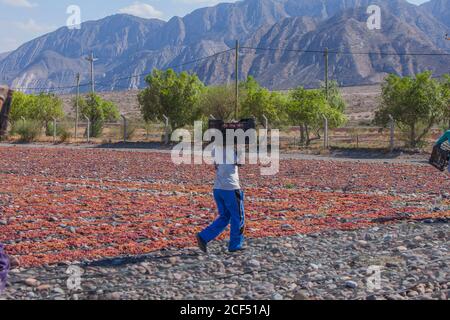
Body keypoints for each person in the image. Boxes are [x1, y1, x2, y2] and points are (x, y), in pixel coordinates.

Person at [197, 144, 246, 253]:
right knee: (238, 216)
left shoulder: (215, 148)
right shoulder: (233, 149)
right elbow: (240, 162)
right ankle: (235, 244)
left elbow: (216, 165)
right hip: (231, 188)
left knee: (225, 216)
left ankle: (203, 236)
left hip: (218, 188)